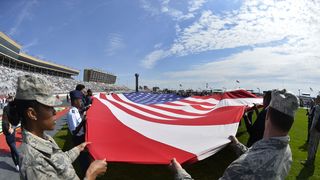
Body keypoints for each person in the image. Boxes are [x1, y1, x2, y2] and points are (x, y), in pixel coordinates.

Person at [171, 89, 299, 180]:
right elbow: (259, 158)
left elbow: (255, 161)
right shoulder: (287, 153)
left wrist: (180, 173)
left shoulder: (242, 167)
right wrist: (237, 145)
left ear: (268, 115)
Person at [7, 75, 107, 179]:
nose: (55, 112)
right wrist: (91, 174)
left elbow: (60, 162)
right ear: (32, 114)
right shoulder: (34, 163)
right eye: (50, 107)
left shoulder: (45, 138)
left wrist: (79, 148)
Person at [67, 90, 90, 174]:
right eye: (80, 100)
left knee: (86, 158)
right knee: (83, 160)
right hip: (78, 139)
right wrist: (83, 122)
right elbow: (74, 132)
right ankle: (85, 175)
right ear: (75, 100)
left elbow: (80, 112)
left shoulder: (76, 110)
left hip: (81, 137)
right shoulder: (72, 113)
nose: (81, 102)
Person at [1, 96, 20, 171]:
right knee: (17, 153)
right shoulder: (5, 119)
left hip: (12, 134)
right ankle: (18, 164)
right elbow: (4, 122)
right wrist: (9, 129)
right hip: (9, 136)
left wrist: (13, 128)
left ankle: (17, 165)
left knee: (12, 150)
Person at [302, 95, 320, 166]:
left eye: (317, 98)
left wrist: (311, 129)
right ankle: (312, 160)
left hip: (315, 129)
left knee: (311, 145)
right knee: (315, 146)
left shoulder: (318, 107)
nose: (316, 100)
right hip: (319, 130)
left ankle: (309, 161)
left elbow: (315, 119)